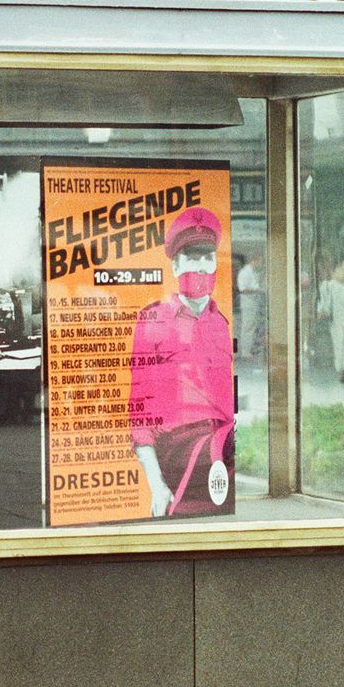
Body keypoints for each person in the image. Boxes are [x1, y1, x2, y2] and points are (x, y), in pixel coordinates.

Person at [130, 207, 235, 518]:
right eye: (191, 257)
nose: (201, 267)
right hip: (180, 456)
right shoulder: (154, 319)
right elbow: (140, 413)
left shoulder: (221, 323)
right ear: (175, 266)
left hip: (223, 452)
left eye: (207, 257)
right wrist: (156, 484)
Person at [316, 258, 344, 382]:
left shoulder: (331, 286)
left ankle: (343, 369)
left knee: (340, 345)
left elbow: (326, 304)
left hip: (340, 320)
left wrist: (322, 311)